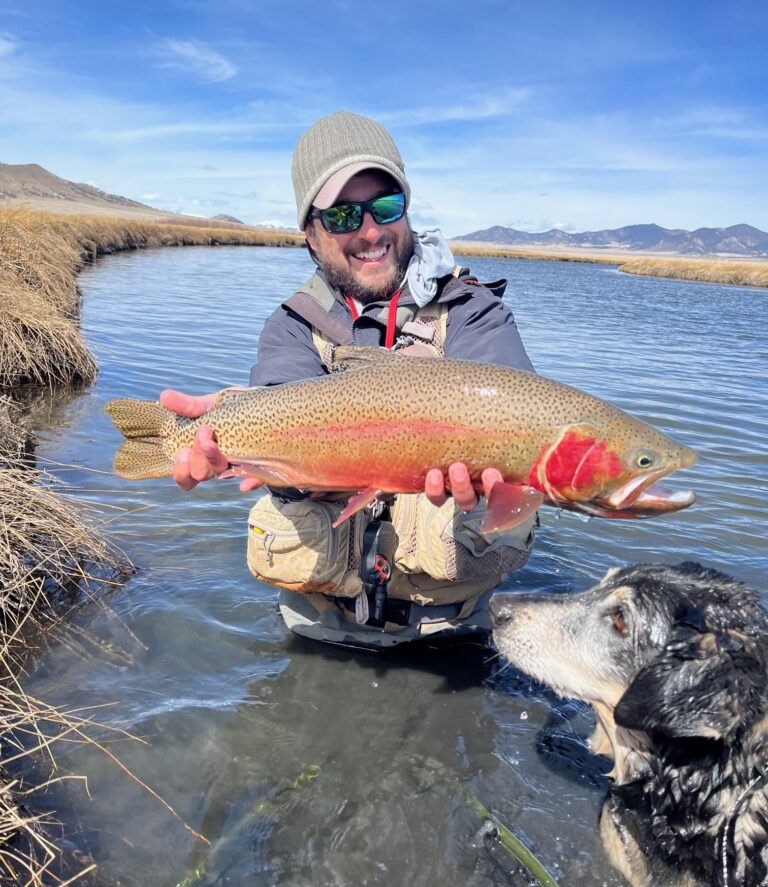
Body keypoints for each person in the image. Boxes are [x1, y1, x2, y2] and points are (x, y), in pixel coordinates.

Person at [161, 111, 538, 648]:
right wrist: (230, 444)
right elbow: (278, 407)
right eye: (341, 216)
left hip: (453, 627)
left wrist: (495, 482)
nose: (369, 231)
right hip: (316, 624)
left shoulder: (476, 314)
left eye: (386, 206)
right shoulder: (293, 325)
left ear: (406, 213)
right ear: (310, 236)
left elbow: (516, 417)